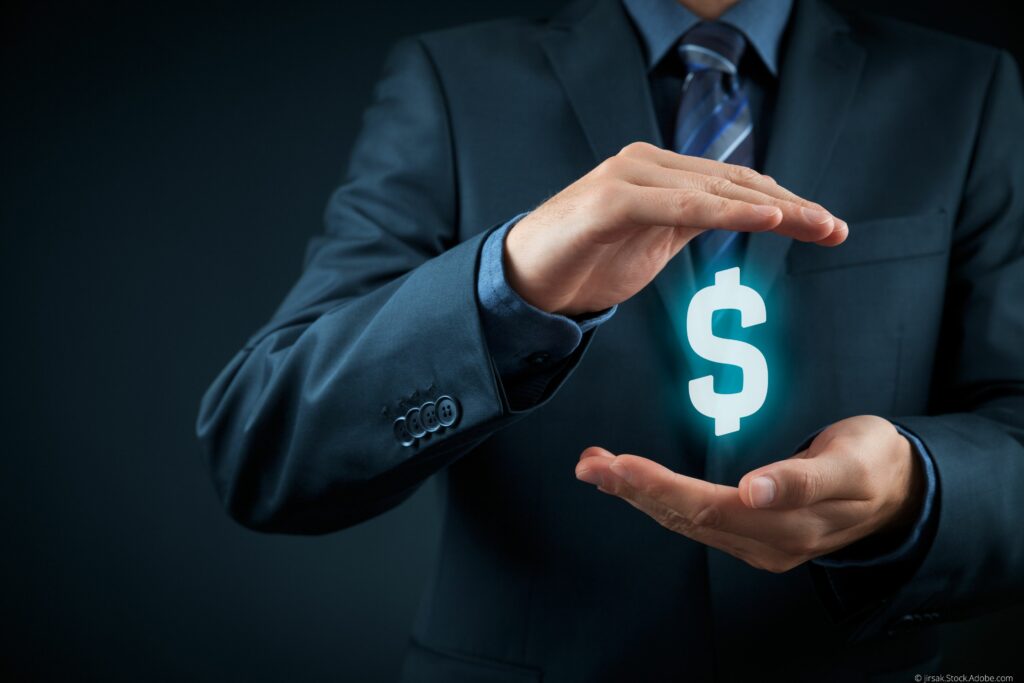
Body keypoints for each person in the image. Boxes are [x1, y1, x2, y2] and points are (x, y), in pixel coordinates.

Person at [196, 0, 1024, 679]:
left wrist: (915, 487)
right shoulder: (453, 81)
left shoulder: (965, 87)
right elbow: (263, 451)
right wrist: (507, 283)